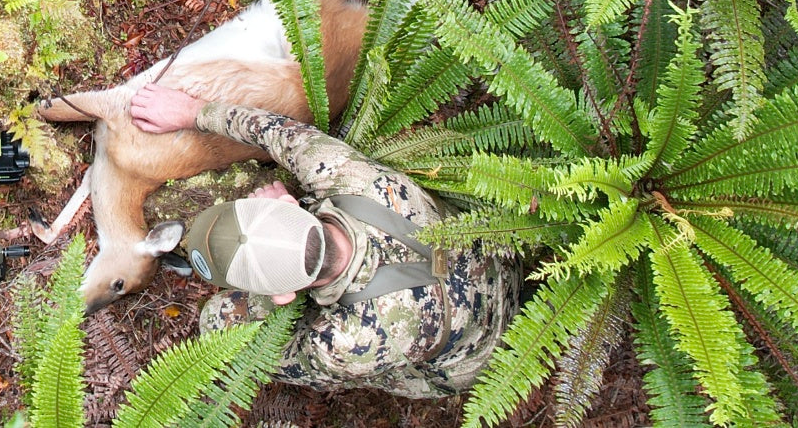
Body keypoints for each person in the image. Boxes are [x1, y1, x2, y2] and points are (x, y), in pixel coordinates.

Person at [127, 82, 518, 399]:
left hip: (488, 353)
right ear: (287, 205)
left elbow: (268, 354)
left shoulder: (346, 344)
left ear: (285, 295)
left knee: (217, 322)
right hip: (505, 253)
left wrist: (268, 301)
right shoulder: (351, 179)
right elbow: (276, 131)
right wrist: (193, 111)